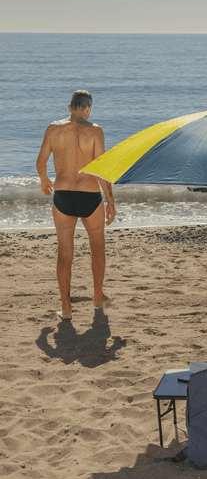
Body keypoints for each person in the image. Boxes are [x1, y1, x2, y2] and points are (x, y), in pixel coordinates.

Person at [36, 90, 116, 320]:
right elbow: (101, 170)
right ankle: (98, 296)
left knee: (65, 253)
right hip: (90, 197)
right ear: (88, 109)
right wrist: (110, 200)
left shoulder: (53, 129)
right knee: (97, 247)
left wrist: (44, 180)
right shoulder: (95, 131)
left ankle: (66, 308)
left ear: (69, 107)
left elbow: (40, 162)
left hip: (63, 197)